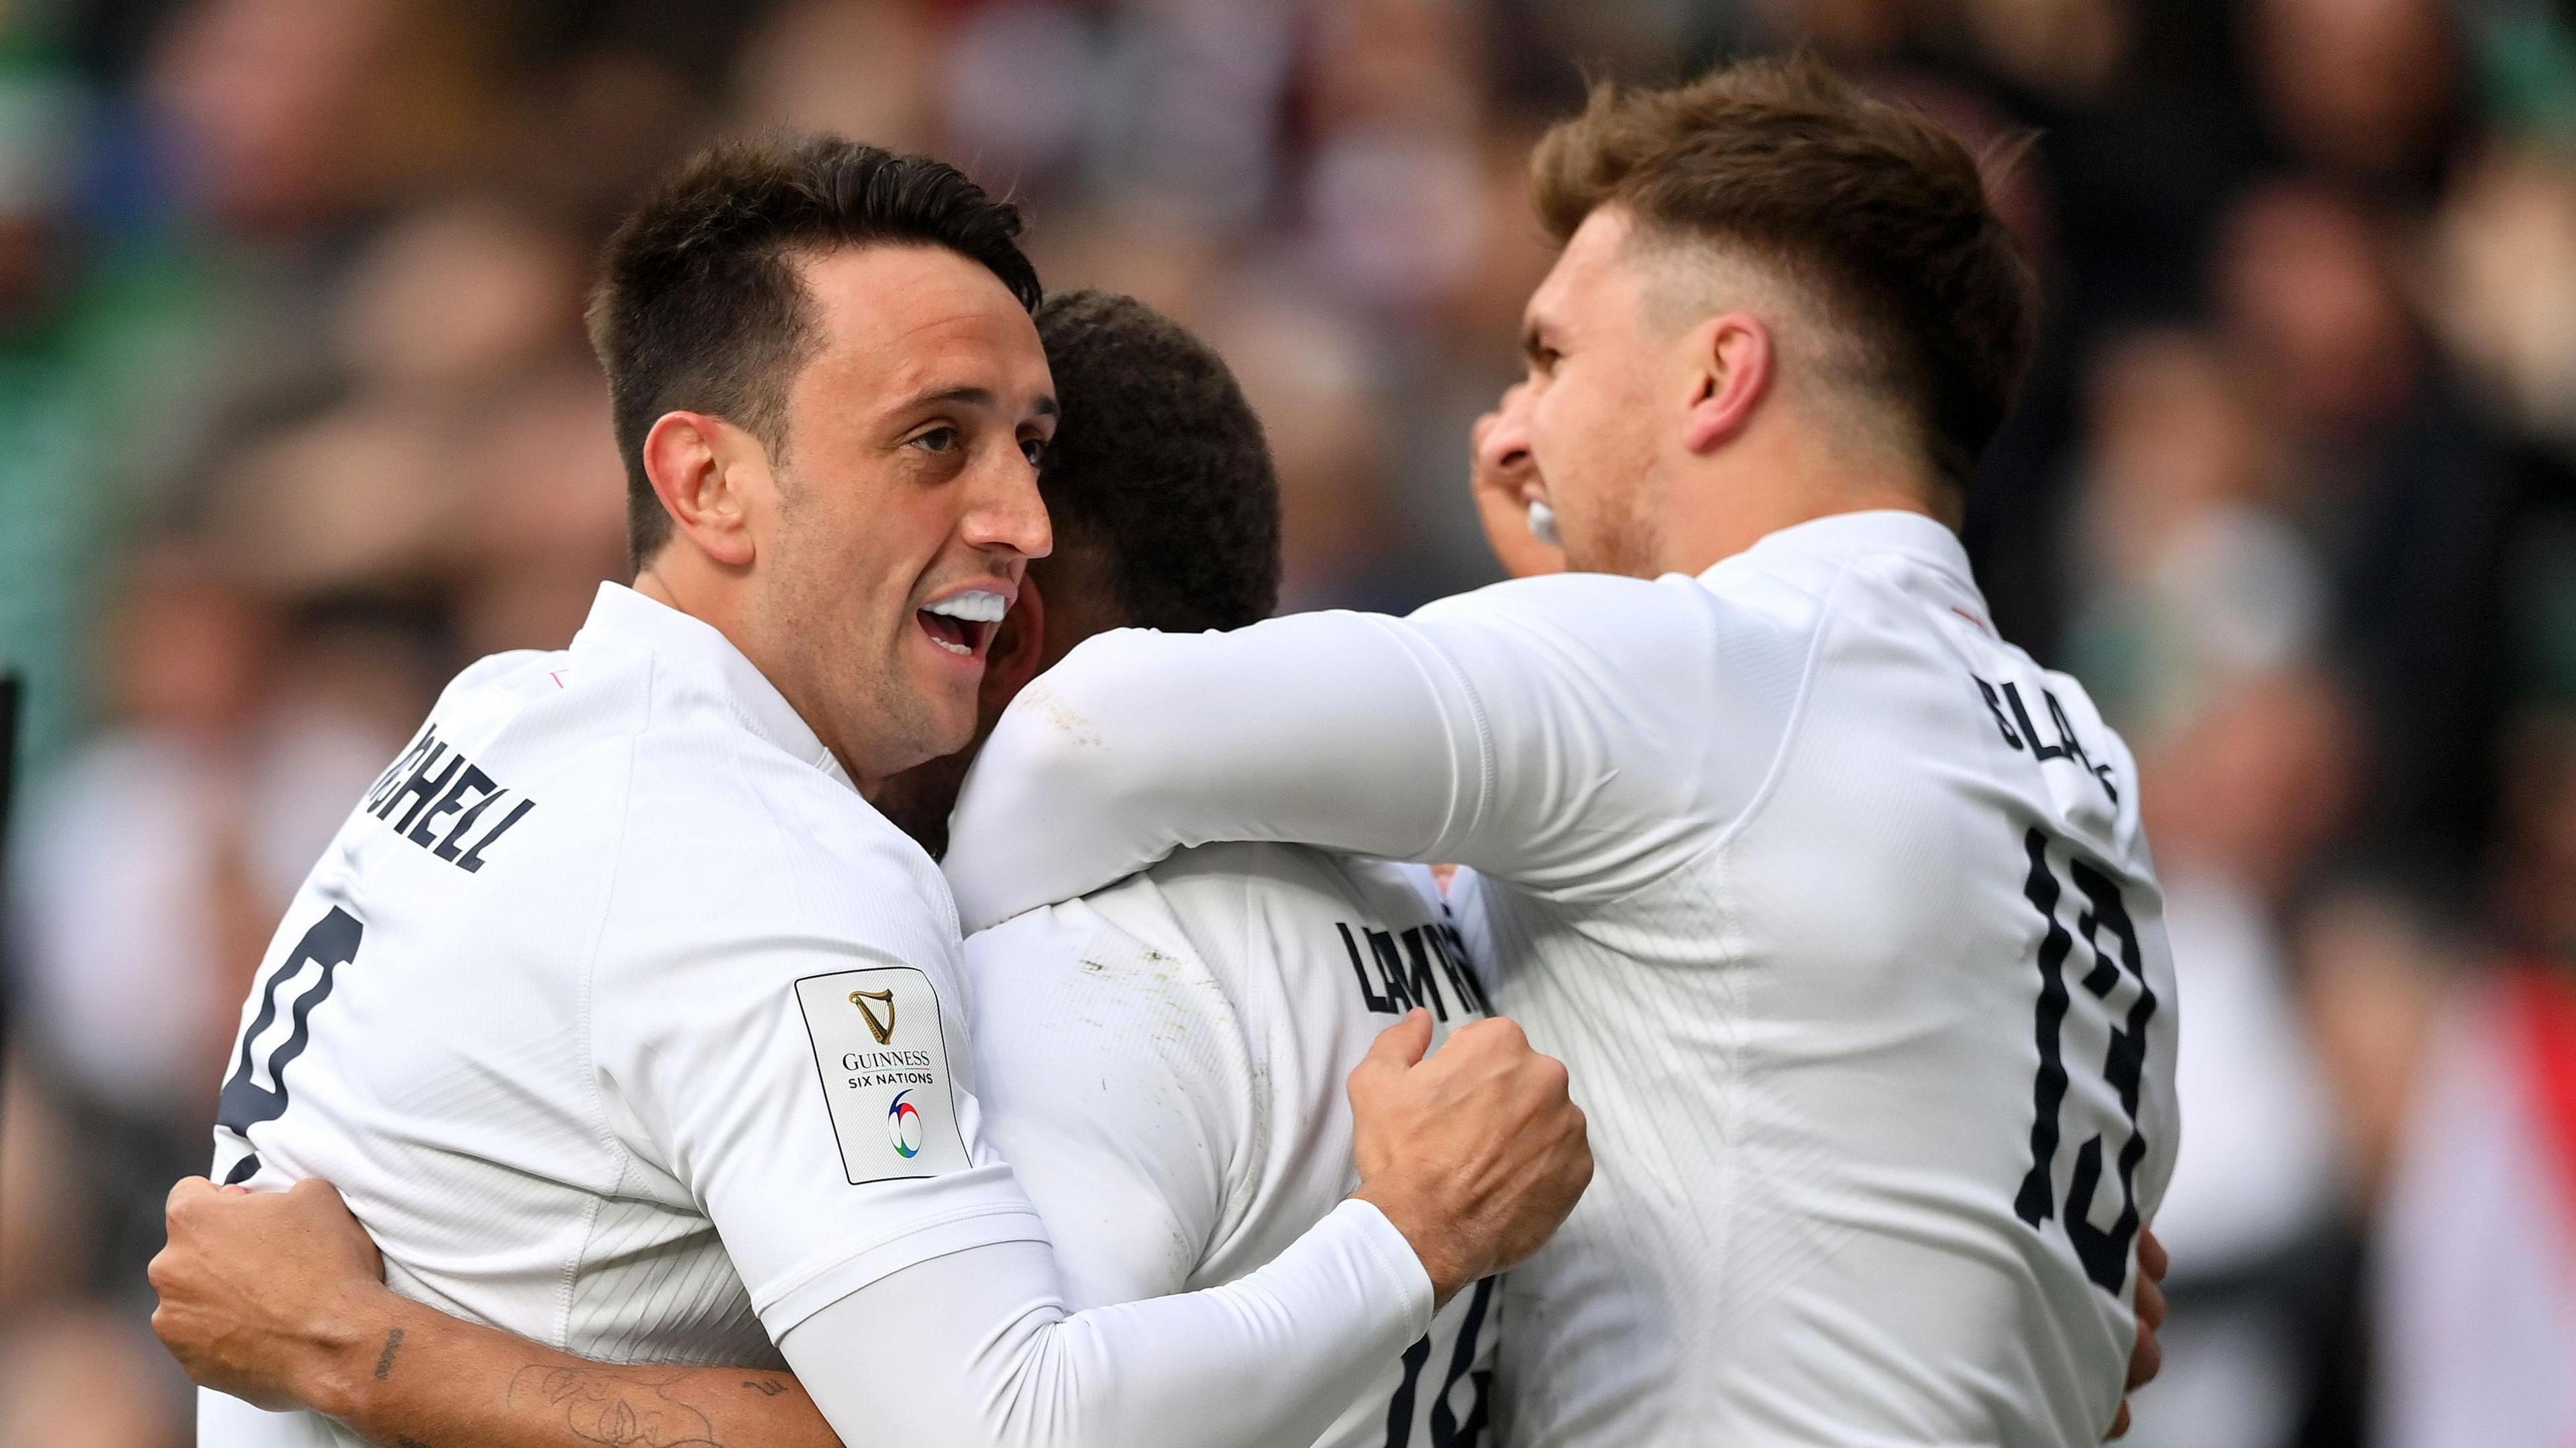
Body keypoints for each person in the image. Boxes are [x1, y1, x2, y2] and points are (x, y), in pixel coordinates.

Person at [152, 139, 1592, 1448]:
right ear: (710, 482)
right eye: (933, 441)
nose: (1022, 523)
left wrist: (361, 1349)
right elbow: (1003, 1431)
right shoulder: (779, 878)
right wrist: (1407, 1235)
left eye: (1028, 445)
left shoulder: (501, 710)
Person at [937, 56, 2180, 1446]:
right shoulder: (2080, 762)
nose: (1504, 430)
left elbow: (1084, 735)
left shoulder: (1707, 679)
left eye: (1550, 359)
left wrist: (900, 966)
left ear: (1719, 374)